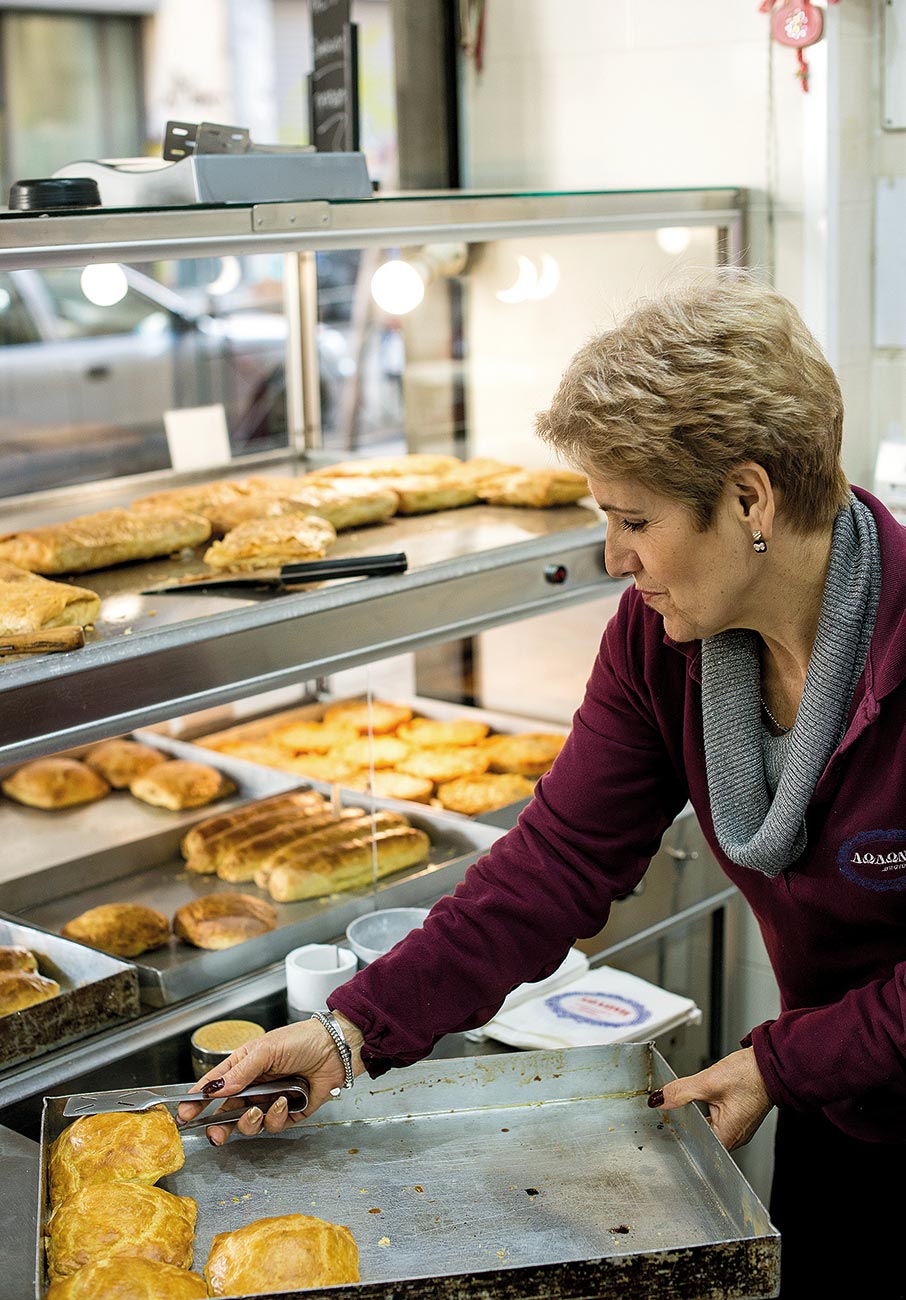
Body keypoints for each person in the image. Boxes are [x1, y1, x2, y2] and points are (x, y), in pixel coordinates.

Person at [179, 270, 906, 1299]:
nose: (613, 557)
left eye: (633, 520)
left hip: (830, 1068)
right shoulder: (663, 644)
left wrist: (780, 1065)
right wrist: (352, 1030)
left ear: (749, 497)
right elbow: (557, 859)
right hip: (843, 1116)